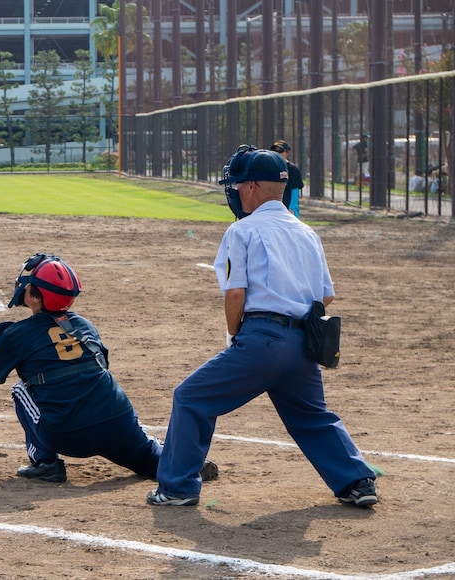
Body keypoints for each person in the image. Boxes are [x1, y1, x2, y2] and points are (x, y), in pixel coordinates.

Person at [147, 145, 378, 508]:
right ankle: (357, 482)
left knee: (190, 398)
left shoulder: (242, 231)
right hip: (303, 344)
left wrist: (235, 335)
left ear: (253, 187)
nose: (235, 191)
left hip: (262, 339)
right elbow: (325, 296)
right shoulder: (306, 232)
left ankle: (176, 487)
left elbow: (235, 293)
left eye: (239, 185)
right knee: (312, 416)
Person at [0, 253, 218, 484]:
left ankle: (45, 463)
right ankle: (182, 466)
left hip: (67, 435)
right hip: (117, 420)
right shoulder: (85, 325)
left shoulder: (16, 334)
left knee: (21, 389)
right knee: (144, 454)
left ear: (35, 296)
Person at [270, 140, 304, 217]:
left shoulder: (292, 169)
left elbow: (295, 191)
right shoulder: (270, 168)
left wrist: (292, 209)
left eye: (280, 151)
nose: (277, 154)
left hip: (287, 210)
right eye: (275, 151)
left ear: (287, 153)